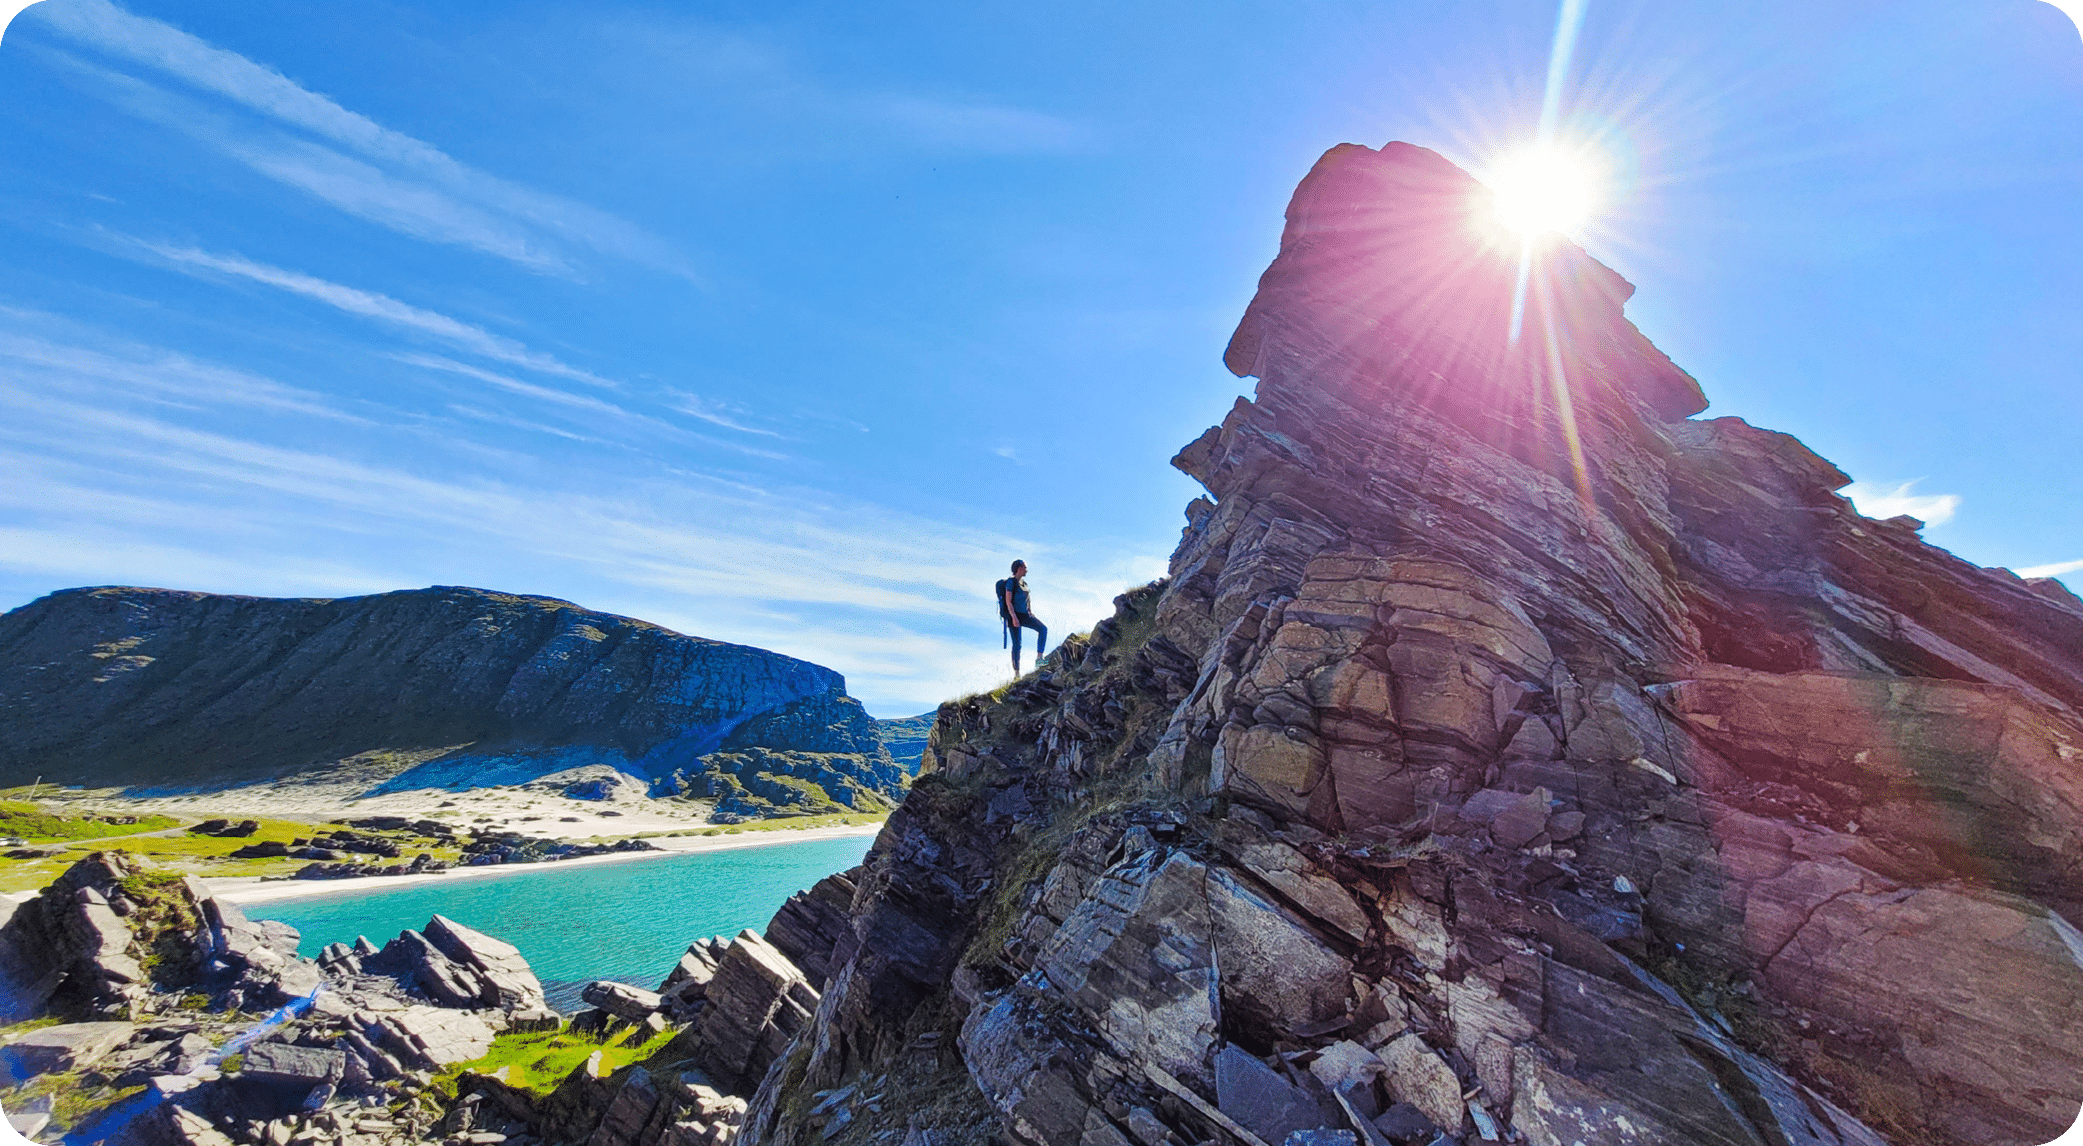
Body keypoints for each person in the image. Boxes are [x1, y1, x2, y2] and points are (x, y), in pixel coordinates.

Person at [998, 559, 1047, 675]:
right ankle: (1017, 673)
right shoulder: (1011, 582)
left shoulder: (1024, 584)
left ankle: (1039, 659)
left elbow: (1027, 600)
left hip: (1025, 615)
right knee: (1017, 644)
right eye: (1025, 567)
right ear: (1019, 568)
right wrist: (1014, 617)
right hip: (1013, 616)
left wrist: (1030, 611)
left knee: (1043, 629)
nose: (1027, 570)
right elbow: (1008, 602)